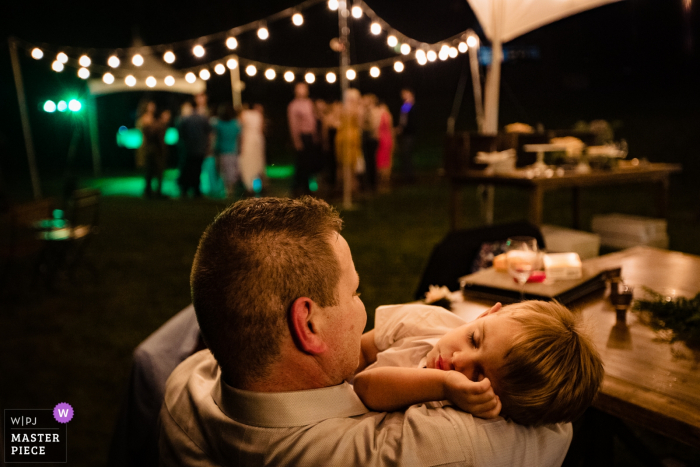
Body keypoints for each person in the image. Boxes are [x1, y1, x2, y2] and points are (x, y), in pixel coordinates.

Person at [160, 196, 573, 466]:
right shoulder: (411, 451)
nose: (364, 309)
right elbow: (557, 429)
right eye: (355, 292)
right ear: (308, 325)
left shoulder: (182, 387)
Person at [353, 301, 604, 426]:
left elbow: (364, 387)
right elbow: (362, 351)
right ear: (487, 314)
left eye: (478, 376)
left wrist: (444, 385)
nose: (458, 360)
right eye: (474, 339)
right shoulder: (426, 320)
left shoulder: (447, 408)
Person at [177, 93, 211, 198]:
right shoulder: (203, 119)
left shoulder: (186, 119)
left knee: (187, 169)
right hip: (199, 148)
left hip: (188, 148)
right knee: (197, 170)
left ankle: (185, 189)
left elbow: (181, 133)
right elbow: (209, 133)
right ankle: (196, 190)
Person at [287, 82, 317, 196]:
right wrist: (296, 140)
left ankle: (306, 186)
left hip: (310, 136)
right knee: (301, 163)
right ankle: (299, 187)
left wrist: (315, 136)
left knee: (309, 163)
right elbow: (293, 124)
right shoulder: (293, 105)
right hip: (301, 136)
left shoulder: (309, 103)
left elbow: (312, 120)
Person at [213, 103, 241, 198]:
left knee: (223, 171)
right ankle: (231, 190)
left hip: (222, 151)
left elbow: (215, 138)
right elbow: (239, 138)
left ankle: (226, 190)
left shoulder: (218, 124)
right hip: (233, 151)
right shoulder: (236, 124)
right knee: (232, 171)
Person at [141, 109, 170, 199]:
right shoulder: (161, 126)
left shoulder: (150, 126)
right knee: (158, 172)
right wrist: (163, 152)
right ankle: (157, 192)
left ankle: (148, 191)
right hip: (156, 152)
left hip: (149, 151)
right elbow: (160, 141)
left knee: (149, 172)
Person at [238, 103, 266, 195]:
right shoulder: (258, 115)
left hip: (248, 141)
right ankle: (258, 185)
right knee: (257, 163)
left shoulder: (243, 114)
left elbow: (240, 130)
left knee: (247, 163)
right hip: (256, 141)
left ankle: (249, 186)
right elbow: (261, 130)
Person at [396, 87, 417, 183]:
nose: (403, 96)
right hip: (405, 134)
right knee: (405, 155)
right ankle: (406, 175)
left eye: (406, 94)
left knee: (407, 154)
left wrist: (403, 128)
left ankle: (409, 177)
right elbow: (403, 121)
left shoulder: (411, 106)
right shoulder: (405, 107)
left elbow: (409, 122)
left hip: (409, 134)